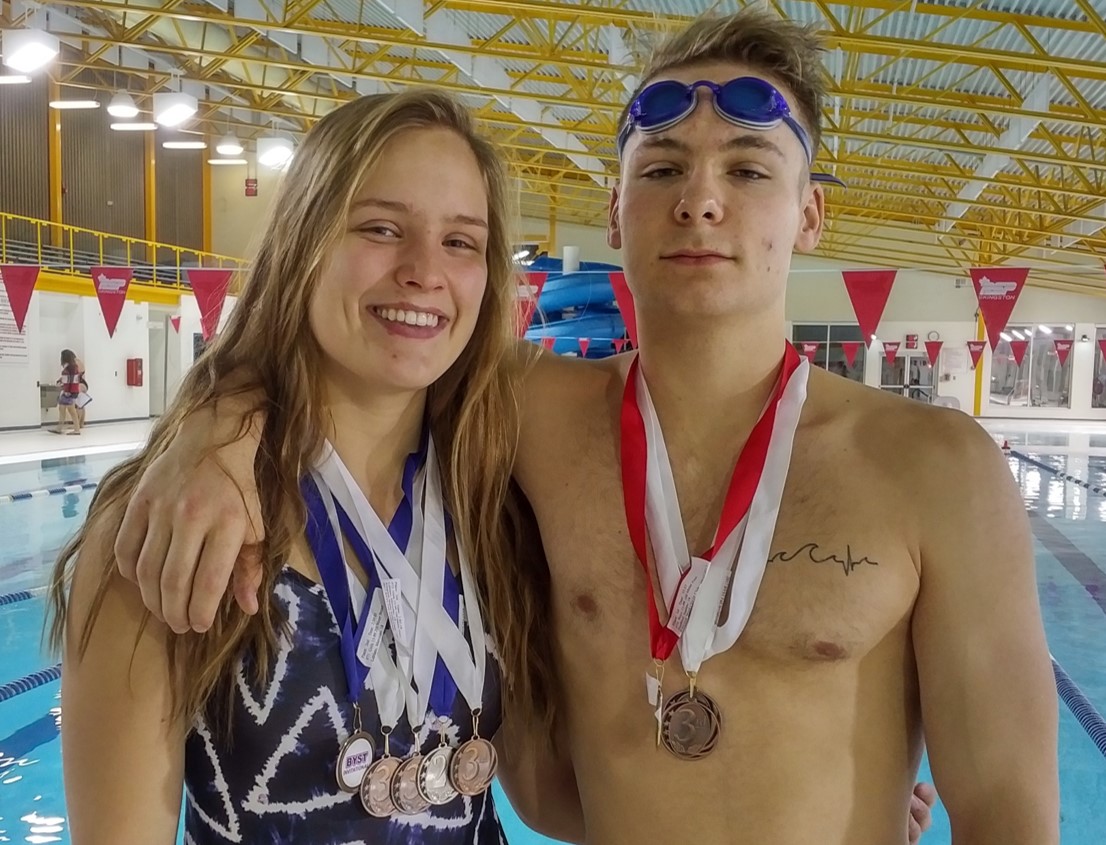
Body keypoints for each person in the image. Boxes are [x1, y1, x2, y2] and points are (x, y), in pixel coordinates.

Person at [112, 11, 1047, 845]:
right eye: (663, 168)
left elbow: (1006, 804)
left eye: (749, 169)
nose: (700, 199)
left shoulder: (936, 469)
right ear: (616, 210)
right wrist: (217, 429)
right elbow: (341, 353)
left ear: (810, 213)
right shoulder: (527, 409)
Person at [48, 88, 576, 844]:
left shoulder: (492, 507)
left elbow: (545, 798)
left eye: (461, 242)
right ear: (303, 244)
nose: (425, 271)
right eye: (381, 228)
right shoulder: (173, 524)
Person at [52, 348, 82, 435]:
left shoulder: (66, 370)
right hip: (73, 391)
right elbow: (73, 380)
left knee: (70, 410)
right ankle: (60, 428)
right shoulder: (74, 368)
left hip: (68, 392)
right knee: (63, 408)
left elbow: (66, 382)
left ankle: (76, 430)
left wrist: (62, 386)